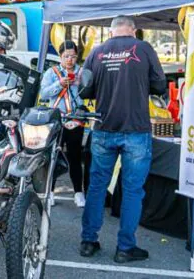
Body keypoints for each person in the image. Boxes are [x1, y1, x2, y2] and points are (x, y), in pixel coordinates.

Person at [79, 16, 166, 263]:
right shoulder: (144, 48)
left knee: (96, 187)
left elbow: (84, 90)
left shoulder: (97, 52)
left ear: (111, 31)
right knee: (132, 191)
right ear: (134, 30)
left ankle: (88, 242)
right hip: (136, 130)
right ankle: (125, 248)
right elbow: (160, 86)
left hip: (104, 127)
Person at [40, 40, 86, 208]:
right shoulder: (51, 73)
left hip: (75, 120)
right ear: (60, 56)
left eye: (73, 56)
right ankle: (50, 192)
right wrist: (58, 84)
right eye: (66, 56)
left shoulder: (81, 73)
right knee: (53, 156)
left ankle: (78, 193)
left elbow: (89, 92)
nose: (70, 60)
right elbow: (43, 94)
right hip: (56, 120)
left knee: (75, 157)